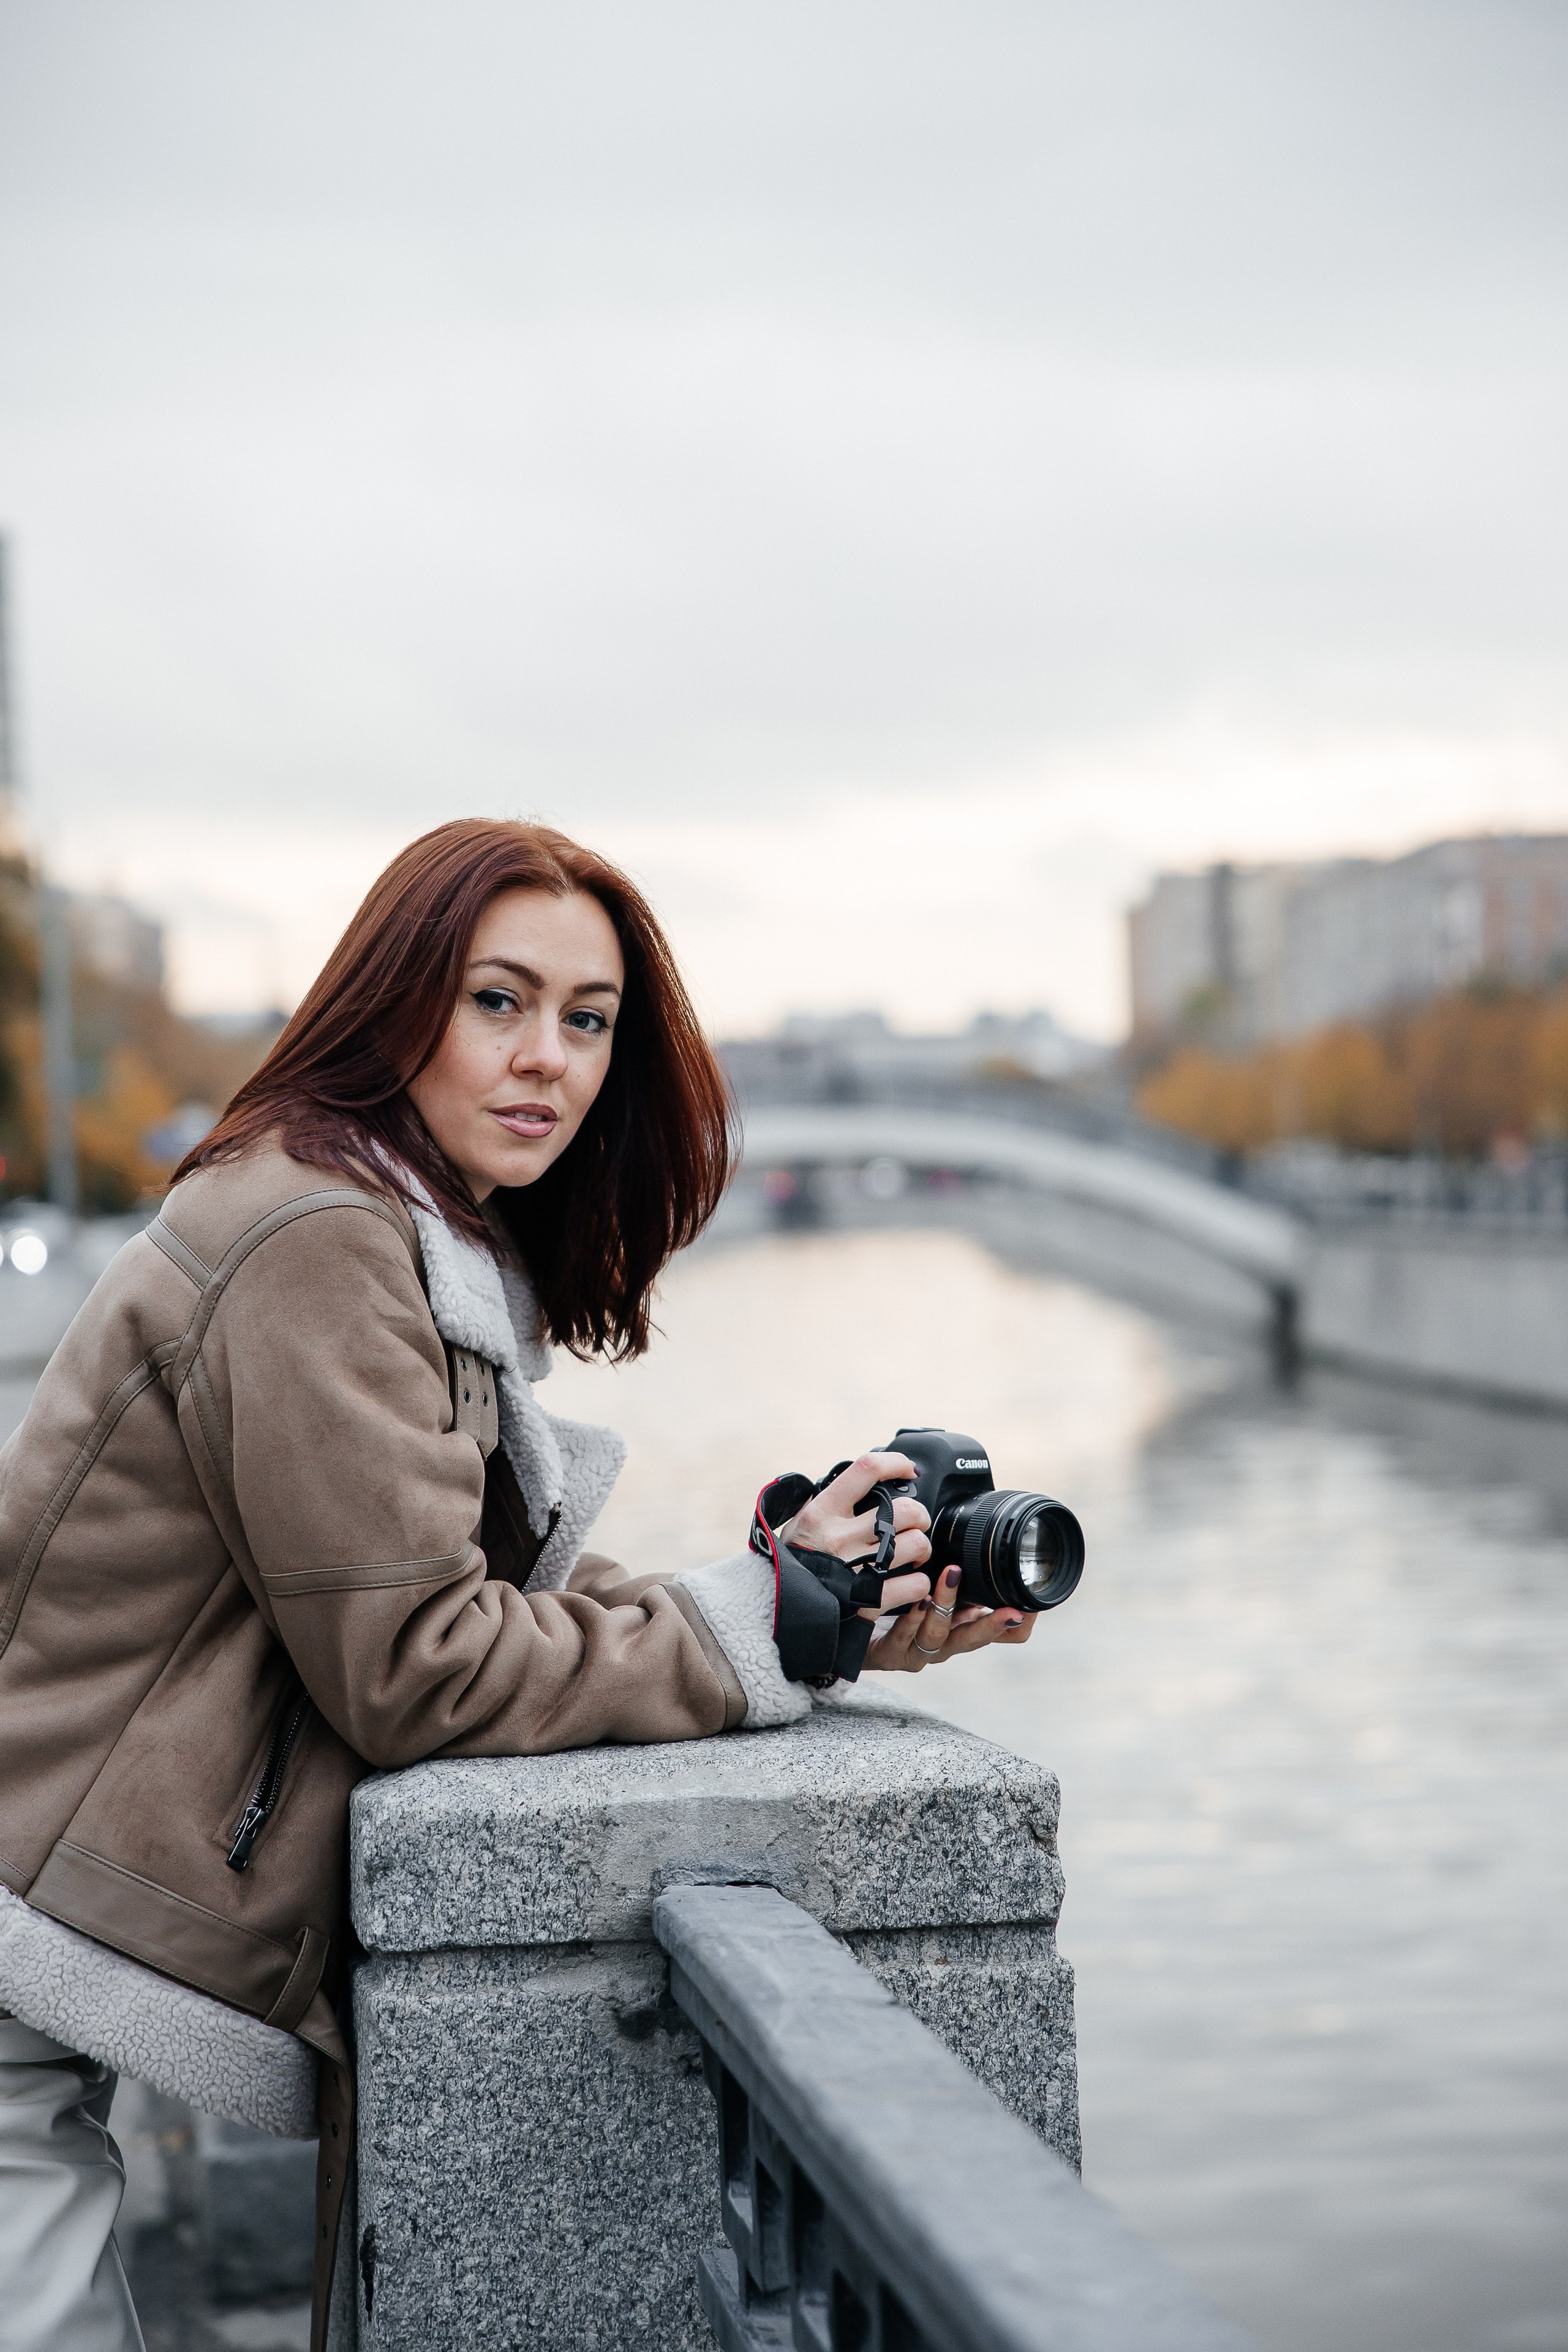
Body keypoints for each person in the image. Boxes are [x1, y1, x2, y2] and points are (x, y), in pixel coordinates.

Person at [0, 818, 1033, 2351]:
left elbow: (449, 1582)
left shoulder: (386, 1231)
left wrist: (803, 1618)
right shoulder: (315, 1234)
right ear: (394, 998)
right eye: (496, 1000)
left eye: (588, 1019)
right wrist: (750, 1633)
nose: (545, 1057)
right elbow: (421, 1663)